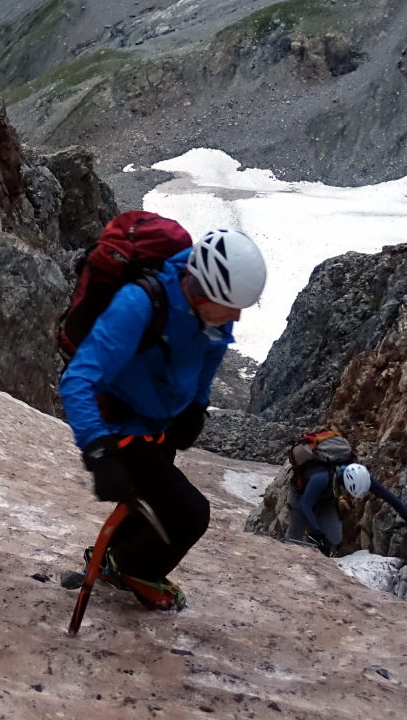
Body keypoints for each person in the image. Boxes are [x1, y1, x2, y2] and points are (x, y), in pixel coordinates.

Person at [59, 228, 267, 611]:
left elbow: (209, 356)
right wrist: (99, 453)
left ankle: (112, 560)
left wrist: (196, 407)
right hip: (119, 425)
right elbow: (78, 379)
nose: (236, 316)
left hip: (161, 423)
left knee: (153, 502)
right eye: (230, 305)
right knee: (189, 514)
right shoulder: (139, 305)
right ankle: (131, 568)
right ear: (200, 288)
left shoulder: (214, 314)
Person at [285, 433, 407, 556]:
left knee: (333, 538)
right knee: (295, 534)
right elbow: (305, 505)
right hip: (300, 496)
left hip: (325, 497)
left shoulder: (360, 474)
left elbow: (385, 494)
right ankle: (285, 559)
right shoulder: (320, 478)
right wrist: (318, 534)